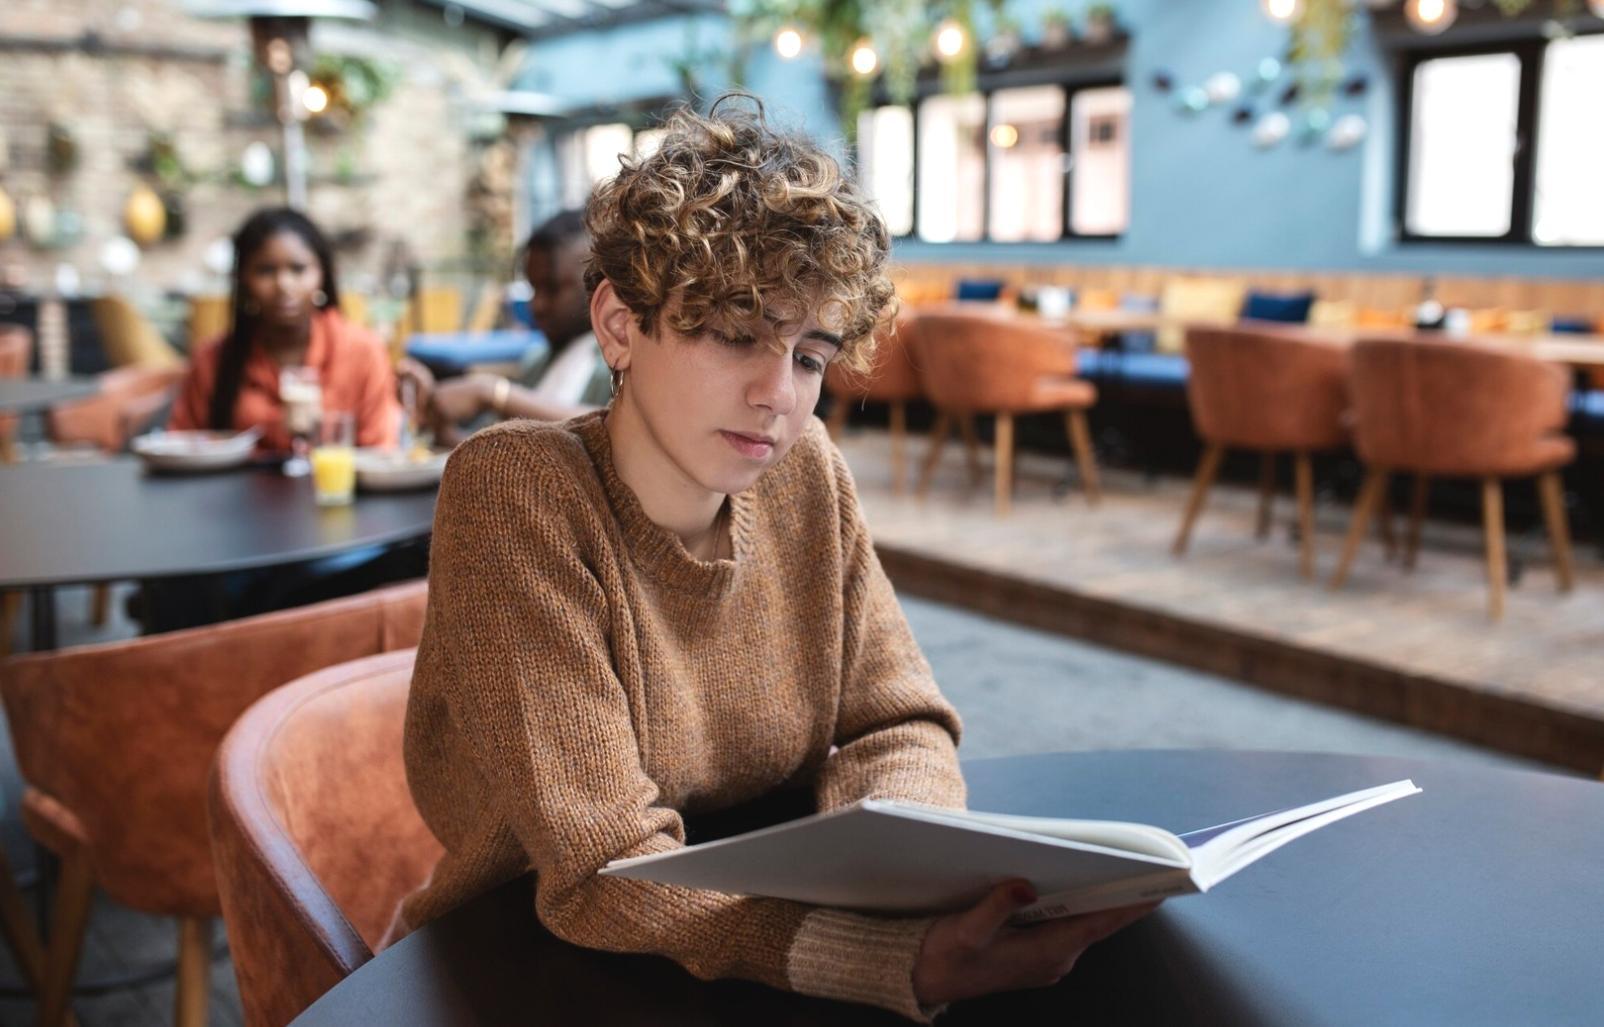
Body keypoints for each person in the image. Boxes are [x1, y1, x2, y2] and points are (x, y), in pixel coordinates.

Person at [395, 97, 1155, 1021]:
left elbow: (899, 721)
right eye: (736, 335)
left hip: (767, 934)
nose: (778, 395)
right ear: (621, 322)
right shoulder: (516, 492)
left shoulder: (805, 474)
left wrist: (912, 874)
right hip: (531, 964)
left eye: (810, 355)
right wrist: (889, 955)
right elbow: (601, 867)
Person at [170, 207, 399, 452]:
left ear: (323, 275)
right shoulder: (213, 359)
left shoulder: (363, 351)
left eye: (298, 269)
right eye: (266, 271)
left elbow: (380, 448)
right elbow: (181, 447)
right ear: (243, 280)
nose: (283, 285)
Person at [398, 209, 609, 446]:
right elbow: (494, 455)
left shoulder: (616, 363)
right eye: (534, 288)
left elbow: (607, 428)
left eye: (551, 288)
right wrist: (435, 416)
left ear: (598, 285)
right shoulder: (537, 361)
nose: (537, 304)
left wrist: (494, 394)